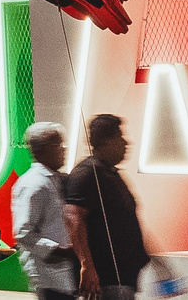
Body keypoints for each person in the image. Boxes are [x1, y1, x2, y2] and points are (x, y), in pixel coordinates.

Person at [63, 113, 153, 300]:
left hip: (122, 279)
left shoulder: (110, 174)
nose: (125, 143)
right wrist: (86, 266)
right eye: (119, 136)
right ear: (105, 141)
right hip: (105, 281)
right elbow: (74, 219)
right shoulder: (87, 174)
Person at [11, 121, 77, 298]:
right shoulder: (34, 184)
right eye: (58, 144)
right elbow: (23, 232)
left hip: (64, 277)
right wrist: (59, 251)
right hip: (49, 278)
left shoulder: (55, 180)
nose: (64, 149)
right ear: (40, 150)